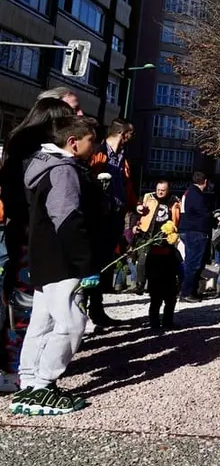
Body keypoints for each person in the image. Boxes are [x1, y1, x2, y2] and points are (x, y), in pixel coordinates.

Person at [9, 115, 104, 415]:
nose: (94, 147)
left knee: (43, 321)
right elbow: (67, 219)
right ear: (73, 142)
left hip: (45, 257)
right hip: (63, 260)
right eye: (91, 141)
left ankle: (29, 382)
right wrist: (85, 264)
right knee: (71, 322)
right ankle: (44, 385)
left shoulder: (44, 165)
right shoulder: (63, 171)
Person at [0, 98, 75, 390]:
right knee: (30, 303)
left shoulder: (16, 147)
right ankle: (19, 370)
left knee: (21, 299)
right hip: (34, 236)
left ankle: (16, 365)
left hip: (18, 231)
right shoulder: (40, 158)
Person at [87, 119, 136, 327]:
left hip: (116, 215)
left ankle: (97, 310)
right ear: (123, 134)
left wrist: (135, 205)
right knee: (93, 264)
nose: (131, 139)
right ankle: (86, 308)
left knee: (105, 264)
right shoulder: (98, 153)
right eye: (130, 134)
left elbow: (126, 185)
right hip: (99, 216)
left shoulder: (122, 158)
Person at [134, 179, 182, 328]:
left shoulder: (174, 201)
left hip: (168, 247)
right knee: (155, 292)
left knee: (170, 292)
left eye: (163, 190)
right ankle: (154, 322)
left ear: (168, 190)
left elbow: (180, 218)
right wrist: (136, 223)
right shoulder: (148, 198)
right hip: (150, 245)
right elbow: (137, 211)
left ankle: (168, 321)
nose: (160, 192)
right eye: (158, 189)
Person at [178, 171, 213, 303]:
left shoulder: (189, 192)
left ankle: (191, 291)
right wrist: (215, 219)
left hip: (188, 229)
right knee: (194, 263)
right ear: (205, 181)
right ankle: (186, 292)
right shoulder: (196, 194)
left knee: (191, 262)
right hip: (195, 231)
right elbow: (202, 213)